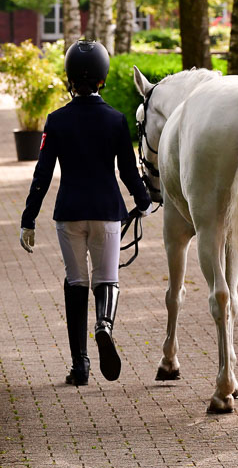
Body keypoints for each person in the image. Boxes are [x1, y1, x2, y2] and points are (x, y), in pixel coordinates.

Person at [20, 40, 151, 386]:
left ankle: (80, 366)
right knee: (107, 278)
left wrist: (28, 218)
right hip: (107, 212)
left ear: (69, 78)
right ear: (102, 80)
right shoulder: (116, 120)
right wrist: (143, 198)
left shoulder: (56, 121)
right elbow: (127, 171)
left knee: (76, 282)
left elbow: (43, 174)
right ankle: (104, 326)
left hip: (70, 213)